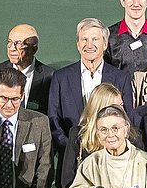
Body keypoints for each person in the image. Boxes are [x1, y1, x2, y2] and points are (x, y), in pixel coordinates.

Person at [48, 17, 133, 168]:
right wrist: (71, 149)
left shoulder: (121, 78)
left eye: (95, 39)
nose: (89, 45)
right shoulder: (61, 77)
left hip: (111, 160)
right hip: (72, 160)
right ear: (78, 45)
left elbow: (127, 118)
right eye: (84, 40)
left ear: (105, 44)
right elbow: (53, 120)